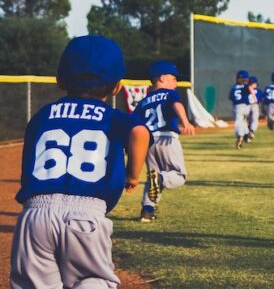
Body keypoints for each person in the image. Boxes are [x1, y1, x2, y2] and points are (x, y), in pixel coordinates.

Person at [11, 35, 151, 289]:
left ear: (59, 80)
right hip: (87, 214)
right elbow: (140, 133)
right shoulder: (111, 116)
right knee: (93, 279)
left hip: (35, 213)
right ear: (117, 86)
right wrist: (132, 176)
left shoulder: (42, 116)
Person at [133, 60, 195, 222]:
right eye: (174, 78)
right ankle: (159, 179)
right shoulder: (169, 93)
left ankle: (147, 211)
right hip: (167, 138)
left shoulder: (144, 101)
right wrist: (186, 122)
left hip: (148, 141)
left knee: (151, 177)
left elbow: (134, 123)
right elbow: (177, 105)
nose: (176, 82)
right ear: (162, 78)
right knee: (178, 175)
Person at [229, 69, 252, 149]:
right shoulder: (246, 87)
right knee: (243, 122)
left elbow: (231, 98)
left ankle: (240, 137)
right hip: (247, 107)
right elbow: (251, 91)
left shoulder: (234, 88)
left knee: (239, 123)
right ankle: (247, 133)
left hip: (238, 107)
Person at [246, 75, 263, 142]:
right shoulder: (258, 91)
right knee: (254, 120)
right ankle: (251, 132)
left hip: (246, 106)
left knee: (249, 121)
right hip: (254, 106)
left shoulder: (245, 90)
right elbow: (260, 99)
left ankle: (247, 136)